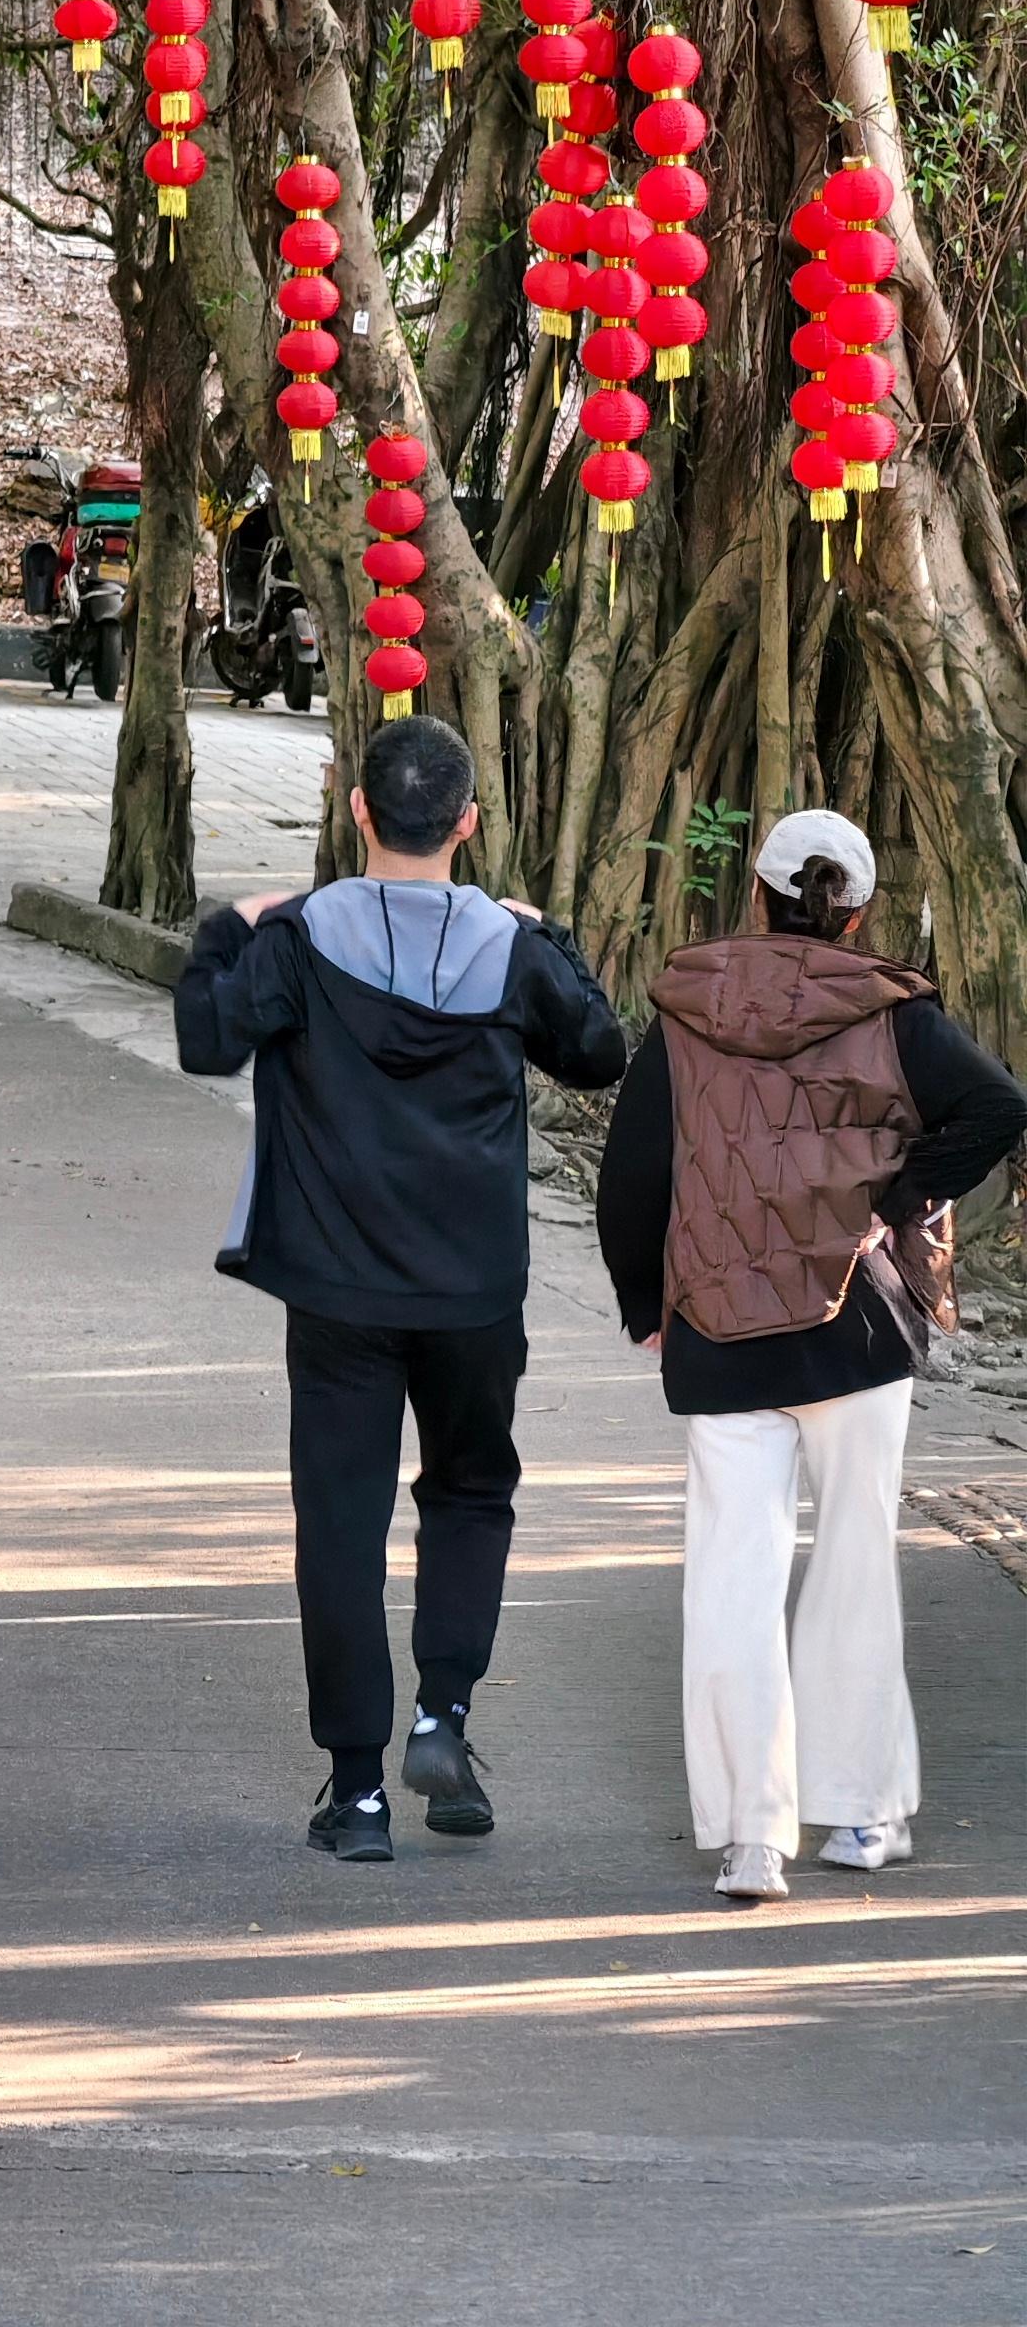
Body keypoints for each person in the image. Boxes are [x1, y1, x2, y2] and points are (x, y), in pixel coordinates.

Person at [175, 712, 625, 1862]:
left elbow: (205, 1035)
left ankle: (358, 1790)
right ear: (467, 822)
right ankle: (445, 1714)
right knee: (470, 1493)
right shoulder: (507, 946)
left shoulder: (303, 937)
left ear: (359, 810)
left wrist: (229, 923)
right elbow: (599, 1049)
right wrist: (550, 934)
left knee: (340, 1523)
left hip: (338, 1292)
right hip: (474, 1290)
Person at [596, 808, 1026, 1907]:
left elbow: (635, 1169)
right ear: (857, 907)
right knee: (853, 1566)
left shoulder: (686, 1010)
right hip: (860, 1326)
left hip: (719, 1326)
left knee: (732, 1578)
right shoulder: (894, 1013)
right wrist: (900, 1195)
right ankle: (866, 1814)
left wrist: (648, 1301)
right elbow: (1000, 1105)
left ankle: (752, 1838)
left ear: (759, 895)